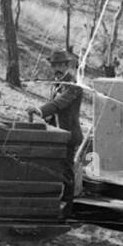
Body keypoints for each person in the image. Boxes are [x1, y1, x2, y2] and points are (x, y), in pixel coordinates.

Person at [28, 48, 83, 209]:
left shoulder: (73, 85)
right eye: (54, 65)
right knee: (54, 169)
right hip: (55, 135)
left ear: (67, 65)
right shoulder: (57, 83)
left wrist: (39, 110)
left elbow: (60, 103)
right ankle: (54, 203)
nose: (56, 69)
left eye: (60, 65)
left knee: (66, 171)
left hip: (68, 135)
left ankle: (67, 207)